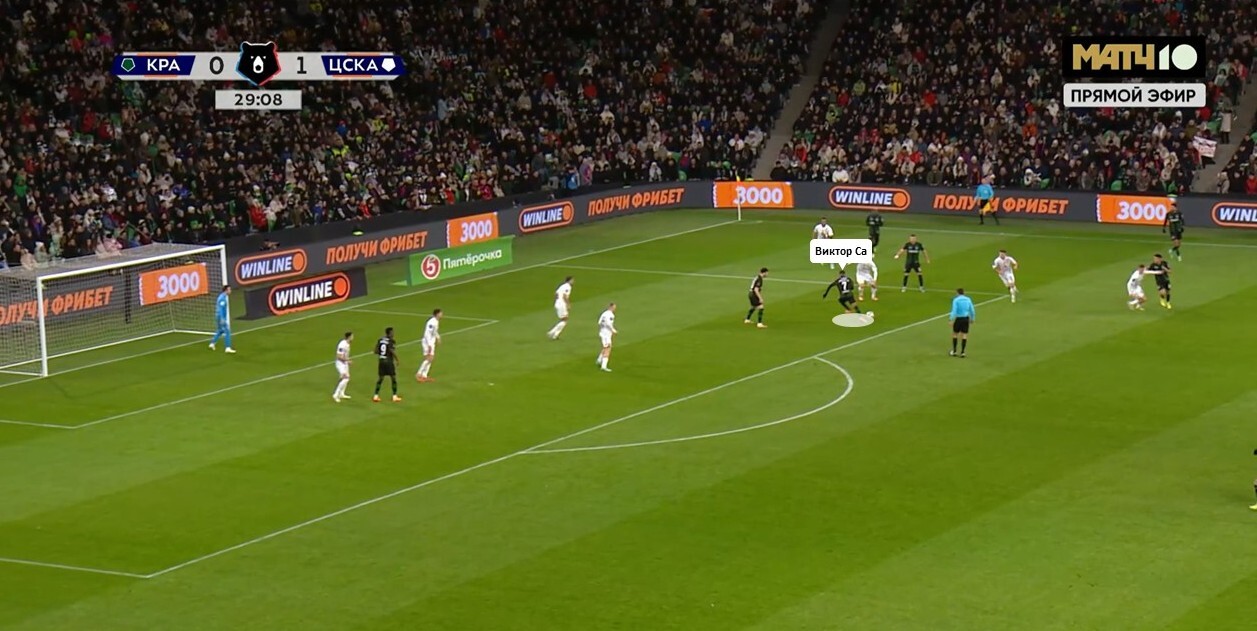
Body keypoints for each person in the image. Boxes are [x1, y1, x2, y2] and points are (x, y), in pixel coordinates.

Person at [373, 327, 402, 402]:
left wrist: (382, 354)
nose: (393, 334)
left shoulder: (380, 340)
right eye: (392, 332)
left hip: (381, 361)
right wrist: (397, 359)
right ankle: (394, 396)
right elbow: (392, 350)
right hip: (388, 362)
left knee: (380, 378)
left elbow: (375, 351)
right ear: (389, 333)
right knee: (393, 378)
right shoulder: (391, 341)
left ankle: (375, 396)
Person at [949, 288, 976, 357]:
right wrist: (972, 318)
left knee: (955, 334)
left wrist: (951, 319)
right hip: (966, 319)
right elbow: (972, 310)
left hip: (958, 319)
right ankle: (963, 352)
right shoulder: (968, 299)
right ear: (964, 293)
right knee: (964, 335)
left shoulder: (956, 300)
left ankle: (954, 351)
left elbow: (954, 311)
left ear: (957, 293)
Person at [416, 309, 442, 382]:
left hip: (431, 342)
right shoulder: (432, 322)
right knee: (429, 358)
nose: (442, 315)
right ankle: (419, 374)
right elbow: (427, 334)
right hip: (427, 342)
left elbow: (434, 332)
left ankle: (424, 376)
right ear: (437, 314)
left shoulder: (436, 321)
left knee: (430, 358)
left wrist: (438, 337)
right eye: (441, 313)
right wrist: (429, 345)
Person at [208, 286, 235, 353]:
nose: (230, 291)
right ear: (226, 290)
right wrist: (223, 319)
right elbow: (221, 309)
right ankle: (227, 348)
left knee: (220, 330)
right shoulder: (222, 298)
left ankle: (212, 343)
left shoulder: (221, 296)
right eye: (229, 289)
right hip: (220, 317)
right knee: (227, 331)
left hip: (218, 316)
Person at [333, 331, 353, 402]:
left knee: (346, 378)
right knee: (345, 378)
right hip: (340, 363)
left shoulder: (348, 344)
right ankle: (335, 395)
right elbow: (339, 356)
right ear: (349, 337)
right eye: (352, 336)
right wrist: (348, 360)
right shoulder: (342, 344)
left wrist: (347, 361)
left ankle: (342, 393)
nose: (353, 338)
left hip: (344, 363)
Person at [596, 302, 617, 372]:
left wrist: (602, 329)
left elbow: (599, 322)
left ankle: (599, 360)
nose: (614, 309)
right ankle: (604, 366)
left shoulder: (604, 313)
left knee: (605, 347)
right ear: (610, 307)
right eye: (614, 308)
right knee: (608, 348)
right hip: (606, 334)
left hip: (602, 332)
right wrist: (613, 330)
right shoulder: (611, 315)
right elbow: (608, 324)